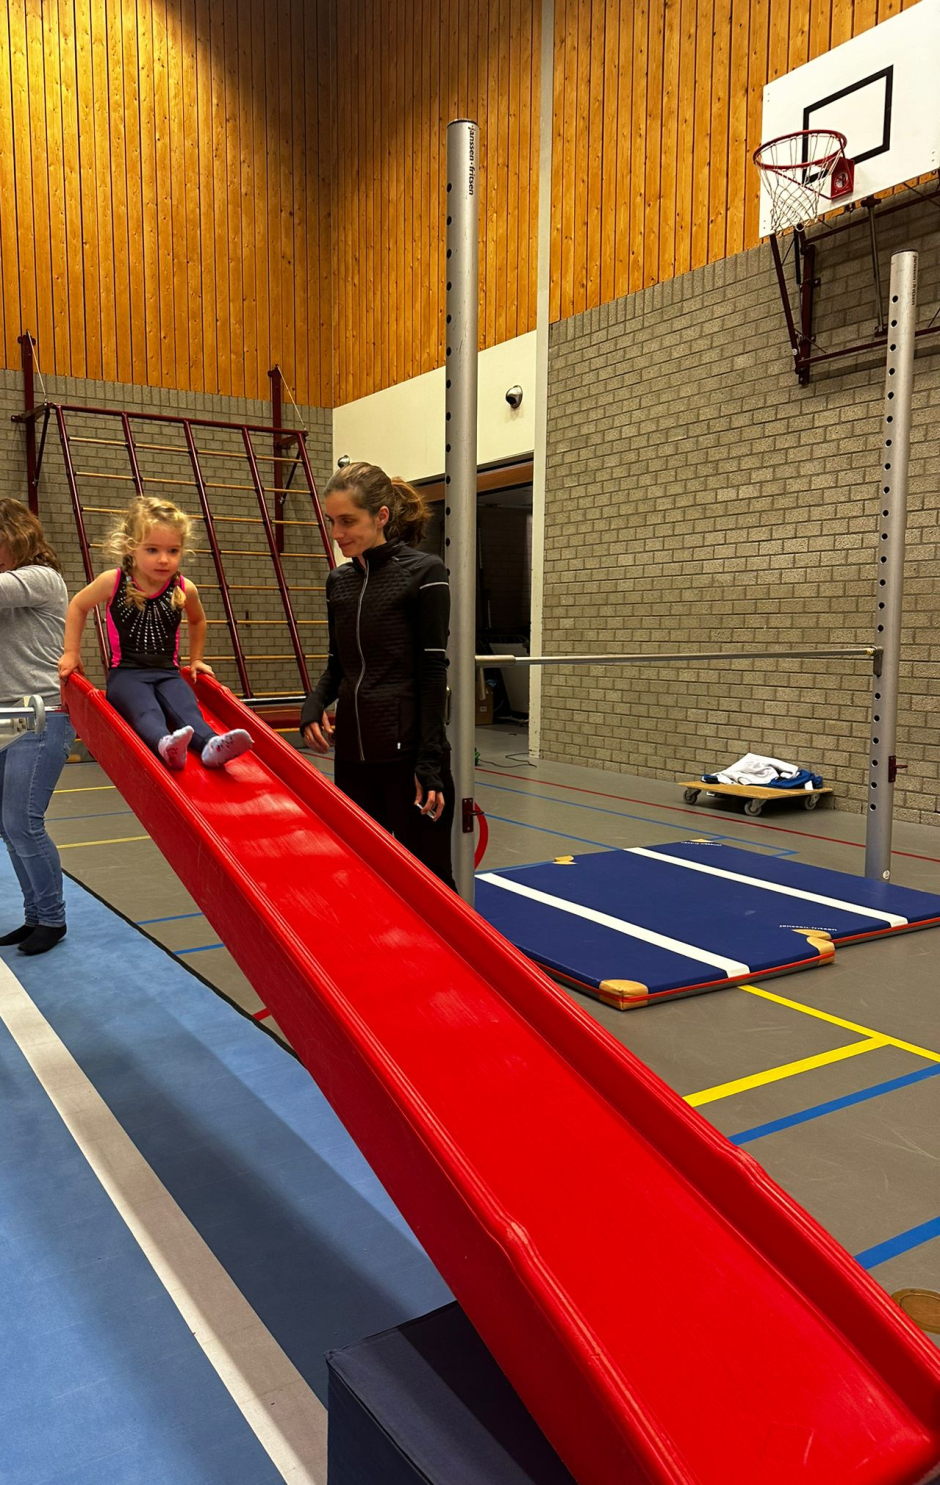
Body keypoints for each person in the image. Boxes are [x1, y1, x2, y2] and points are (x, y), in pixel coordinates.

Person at [300, 461, 455, 889]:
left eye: (348, 521)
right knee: (364, 881)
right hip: (353, 760)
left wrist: (429, 764)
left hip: (408, 761)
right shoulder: (338, 582)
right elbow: (339, 662)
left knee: (429, 885)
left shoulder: (425, 573)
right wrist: (314, 703)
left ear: (381, 516)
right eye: (332, 521)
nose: (337, 533)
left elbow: (432, 673)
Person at [59, 496, 252, 770]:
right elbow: (78, 606)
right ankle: (165, 744)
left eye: (173, 551)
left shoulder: (183, 587)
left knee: (186, 708)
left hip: (168, 673)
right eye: (152, 550)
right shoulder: (114, 581)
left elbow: (198, 620)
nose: (163, 559)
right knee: (145, 710)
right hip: (127, 675)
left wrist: (196, 659)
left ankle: (211, 745)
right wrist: (71, 652)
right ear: (131, 547)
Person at [0, 500, 76, 955]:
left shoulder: (41, 578)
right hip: (6, 716)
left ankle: (52, 918)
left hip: (41, 713)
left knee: (23, 822)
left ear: (16, 538)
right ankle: (35, 916)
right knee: (8, 826)